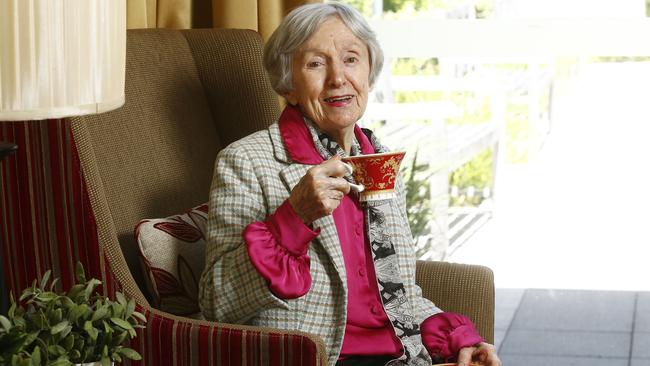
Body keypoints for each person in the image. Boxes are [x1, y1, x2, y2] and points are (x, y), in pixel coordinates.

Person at [198, 3, 501, 366]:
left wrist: (458, 341)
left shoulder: (381, 160)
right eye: (315, 63)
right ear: (289, 85)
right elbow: (217, 302)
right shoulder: (245, 161)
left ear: (369, 74)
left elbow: (397, 297)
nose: (338, 78)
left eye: (351, 59)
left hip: (401, 356)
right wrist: (294, 217)